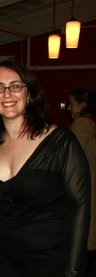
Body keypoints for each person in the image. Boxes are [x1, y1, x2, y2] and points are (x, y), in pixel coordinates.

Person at [0, 59, 90, 277]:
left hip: (50, 265)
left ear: (29, 94)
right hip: (5, 264)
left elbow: (81, 206)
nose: (7, 94)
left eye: (16, 86)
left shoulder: (59, 141)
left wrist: (72, 275)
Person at [68, 88, 96, 262]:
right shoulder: (89, 123)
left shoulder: (82, 124)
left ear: (82, 105)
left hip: (85, 183)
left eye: (72, 104)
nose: (69, 108)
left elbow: (69, 156)